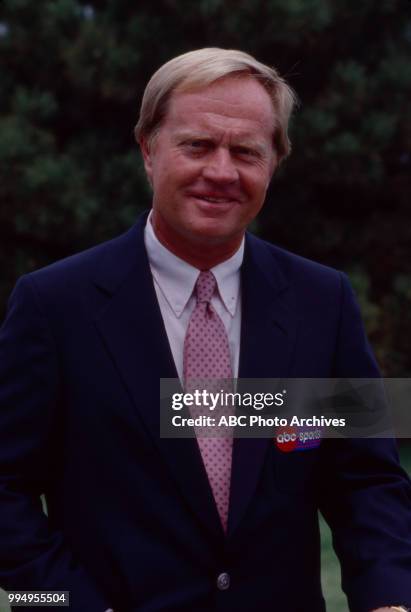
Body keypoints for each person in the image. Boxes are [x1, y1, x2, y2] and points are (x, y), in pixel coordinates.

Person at [0, 48, 410, 612]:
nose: (221, 171)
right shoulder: (53, 305)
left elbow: (365, 481)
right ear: (148, 148)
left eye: (246, 151)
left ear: (275, 163)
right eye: (197, 145)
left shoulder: (323, 301)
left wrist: (390, 600)